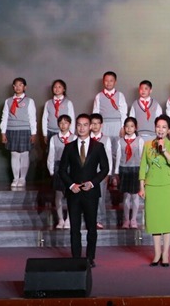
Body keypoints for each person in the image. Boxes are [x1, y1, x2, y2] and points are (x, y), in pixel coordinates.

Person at [58, 113, 110, 268]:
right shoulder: (69, 147)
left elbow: (105, 169)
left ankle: (90, 258)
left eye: (85, 125)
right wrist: (71, 185)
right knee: (74, 228)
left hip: (91, 193)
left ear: (91, 127)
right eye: (79, 125)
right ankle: (76, 258)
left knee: (91, 227)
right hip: (74, 193)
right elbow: (62, 170)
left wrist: (93, 183)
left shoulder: (98, 146)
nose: (82, 128)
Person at [138, 114, 170, 266]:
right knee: (154, 220)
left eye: (164, 127)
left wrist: (164, 150)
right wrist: (141, 187)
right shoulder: (148, 144)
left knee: (167, 220)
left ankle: (166, 253)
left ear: (168, 130)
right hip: (152, 185)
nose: (160, 129)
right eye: (158, 126)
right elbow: (143, 166)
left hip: (167, 185)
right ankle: (157, 253)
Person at [0, 77, 37, 189]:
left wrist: (33, 133)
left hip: (25, 130)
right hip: (11, 130)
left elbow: (32, 118)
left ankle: (22, 178)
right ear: (13, 87)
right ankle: (15, 178)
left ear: (25, 87)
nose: (18, 87)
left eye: (20, 85)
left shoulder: (29, 101)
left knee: (24, 154)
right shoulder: (8, 101)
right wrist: (3, 132)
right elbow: (4, 117)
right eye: (16, 85)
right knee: (14, 154)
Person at [47, 114, 75, 229]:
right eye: (61, 123)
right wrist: (51, 170)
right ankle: (60, 219)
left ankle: (69, 219)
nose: (63, 125)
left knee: (70, 195)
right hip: (59, 166)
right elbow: (51, 155)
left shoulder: (74, 138)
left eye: (66, 123)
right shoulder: (54, 138)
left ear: (70, 124)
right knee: (58, 194)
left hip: (71, 167)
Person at [116, 117, 144, 229]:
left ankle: (134, 219)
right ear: (124, 128)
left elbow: (142, 156)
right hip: (124, 169)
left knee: (135, 195)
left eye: (132, 126)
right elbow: (118, 157)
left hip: (136, 169)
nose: (129, 128)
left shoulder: (139, 140)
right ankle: (126, 219)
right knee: (126, 195)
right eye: (127, 126)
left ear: (136, 128)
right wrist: (116, 172)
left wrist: (143, 171)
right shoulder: (120, 141)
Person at [89, 113, 114, 229]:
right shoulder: (85, 138)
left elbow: (109, 157)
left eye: (97, 123)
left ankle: (99, 219)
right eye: (93, 123)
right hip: (88, 172)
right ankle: (89, 218)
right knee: (88, 197)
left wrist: (108, 173)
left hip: (100, 173)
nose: (95, 126)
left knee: (100, 198)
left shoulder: (106, 139)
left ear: (101, 125)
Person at [92, 71, 127, 145]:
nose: (108, 83)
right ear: (103, 81)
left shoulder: (120, 95)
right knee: (103, 144)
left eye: (111, 81)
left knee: (117, 146)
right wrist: (96, 126)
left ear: (115, 82)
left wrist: (123, 127)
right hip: (104, 124)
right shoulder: (99, 96)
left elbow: (123, 113)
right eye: (106, 81)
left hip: (117, 124)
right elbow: (95, 113)